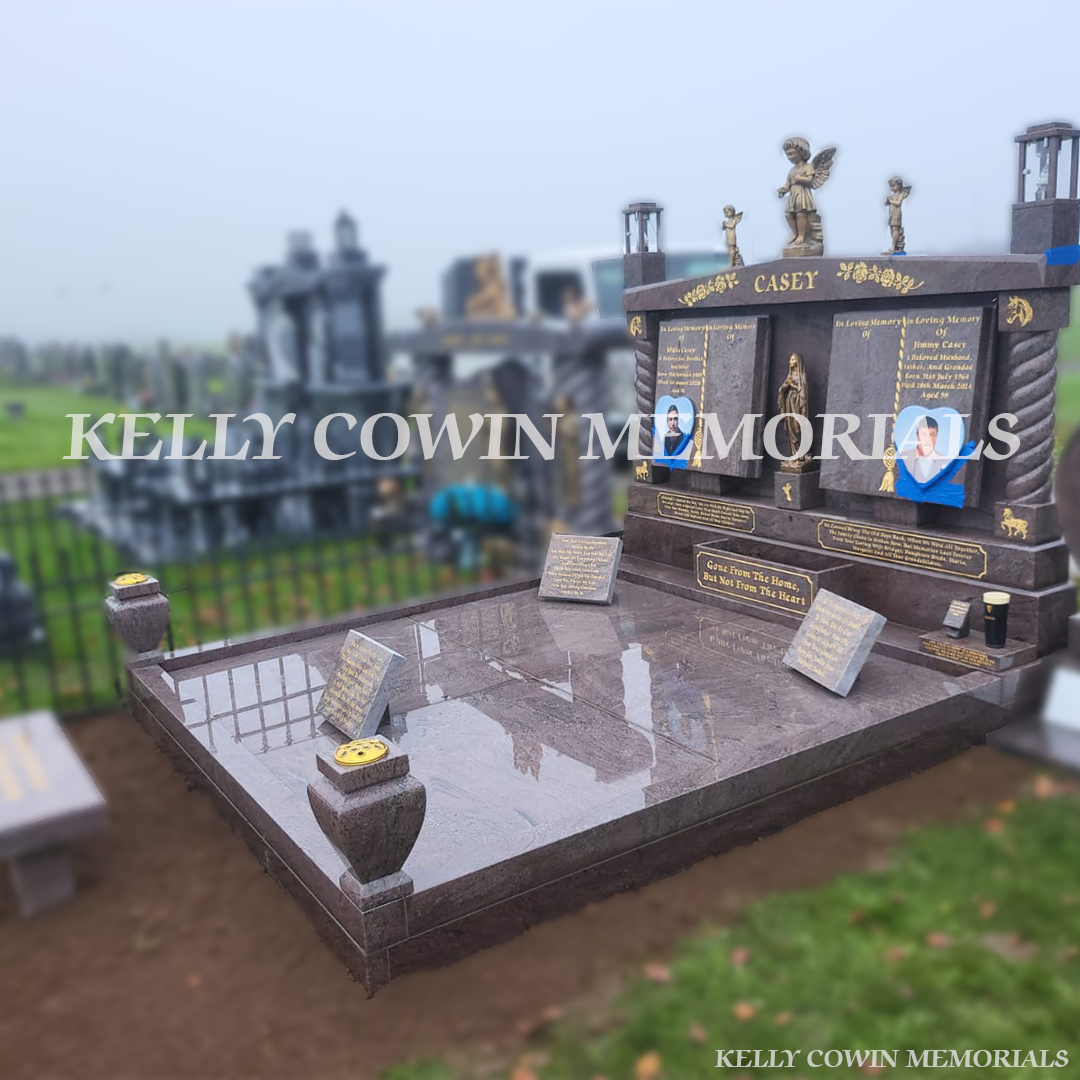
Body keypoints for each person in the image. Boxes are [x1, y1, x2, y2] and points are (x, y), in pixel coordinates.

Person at [900, 416, 948, 483]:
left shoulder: (947, 462)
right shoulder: (902, 458)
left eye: (932, 435)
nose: (927, 440)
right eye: (924, 435)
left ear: (936, 436)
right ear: (917, 435)